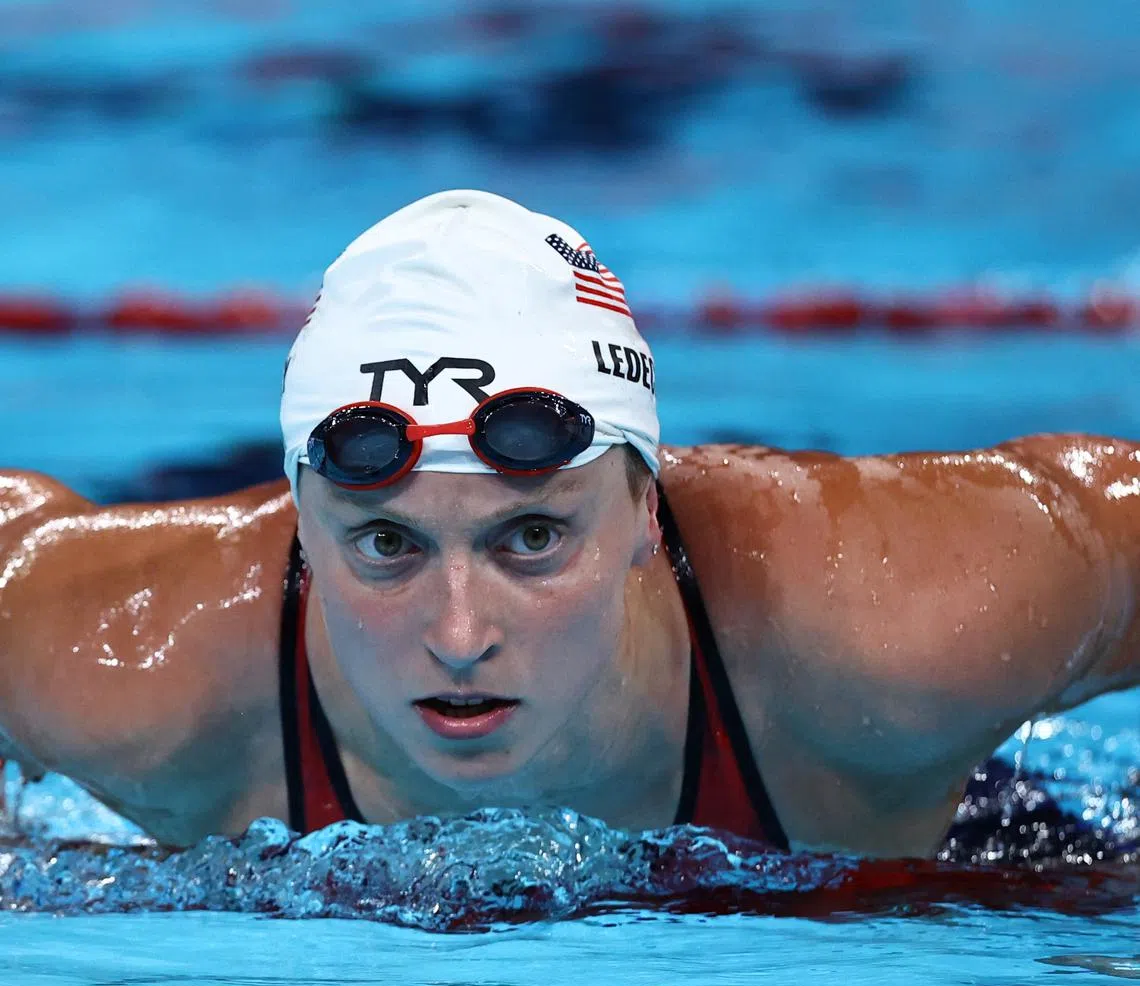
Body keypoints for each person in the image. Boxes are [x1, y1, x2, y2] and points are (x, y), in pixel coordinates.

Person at [1, 189, 1138, 857]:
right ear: (301, 521)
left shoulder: (886, 619)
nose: (458, 634)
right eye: (387, 543)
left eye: (530, 537)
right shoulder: (132, 662)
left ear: (645, 506)